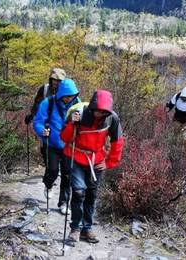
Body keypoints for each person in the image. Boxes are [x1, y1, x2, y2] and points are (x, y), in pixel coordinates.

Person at [60, 90, 124, 244]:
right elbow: (64, 138)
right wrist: (72, 124)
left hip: (96, 161)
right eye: (97, 110)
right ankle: (75, 228)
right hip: (76, 157)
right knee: (78, 192)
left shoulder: (111, 119)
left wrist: (109, 162)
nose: (99, 114)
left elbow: (118, 142)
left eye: (103, 112)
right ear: (92, 106)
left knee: (91, 195)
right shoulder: (78, 113)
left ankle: (87, 229)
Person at [33, 79, 80, 215]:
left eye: (72, 96)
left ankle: (64, 203)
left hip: (69, 145)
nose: (69, 98)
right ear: (61, 94)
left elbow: (84, 123)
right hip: (52, 144)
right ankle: (48, 185)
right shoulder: (48, 103)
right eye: (67, 96)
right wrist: (42, 131)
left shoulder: (77, 104)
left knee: (67, 174)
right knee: (52, 170)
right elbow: (38, 122)